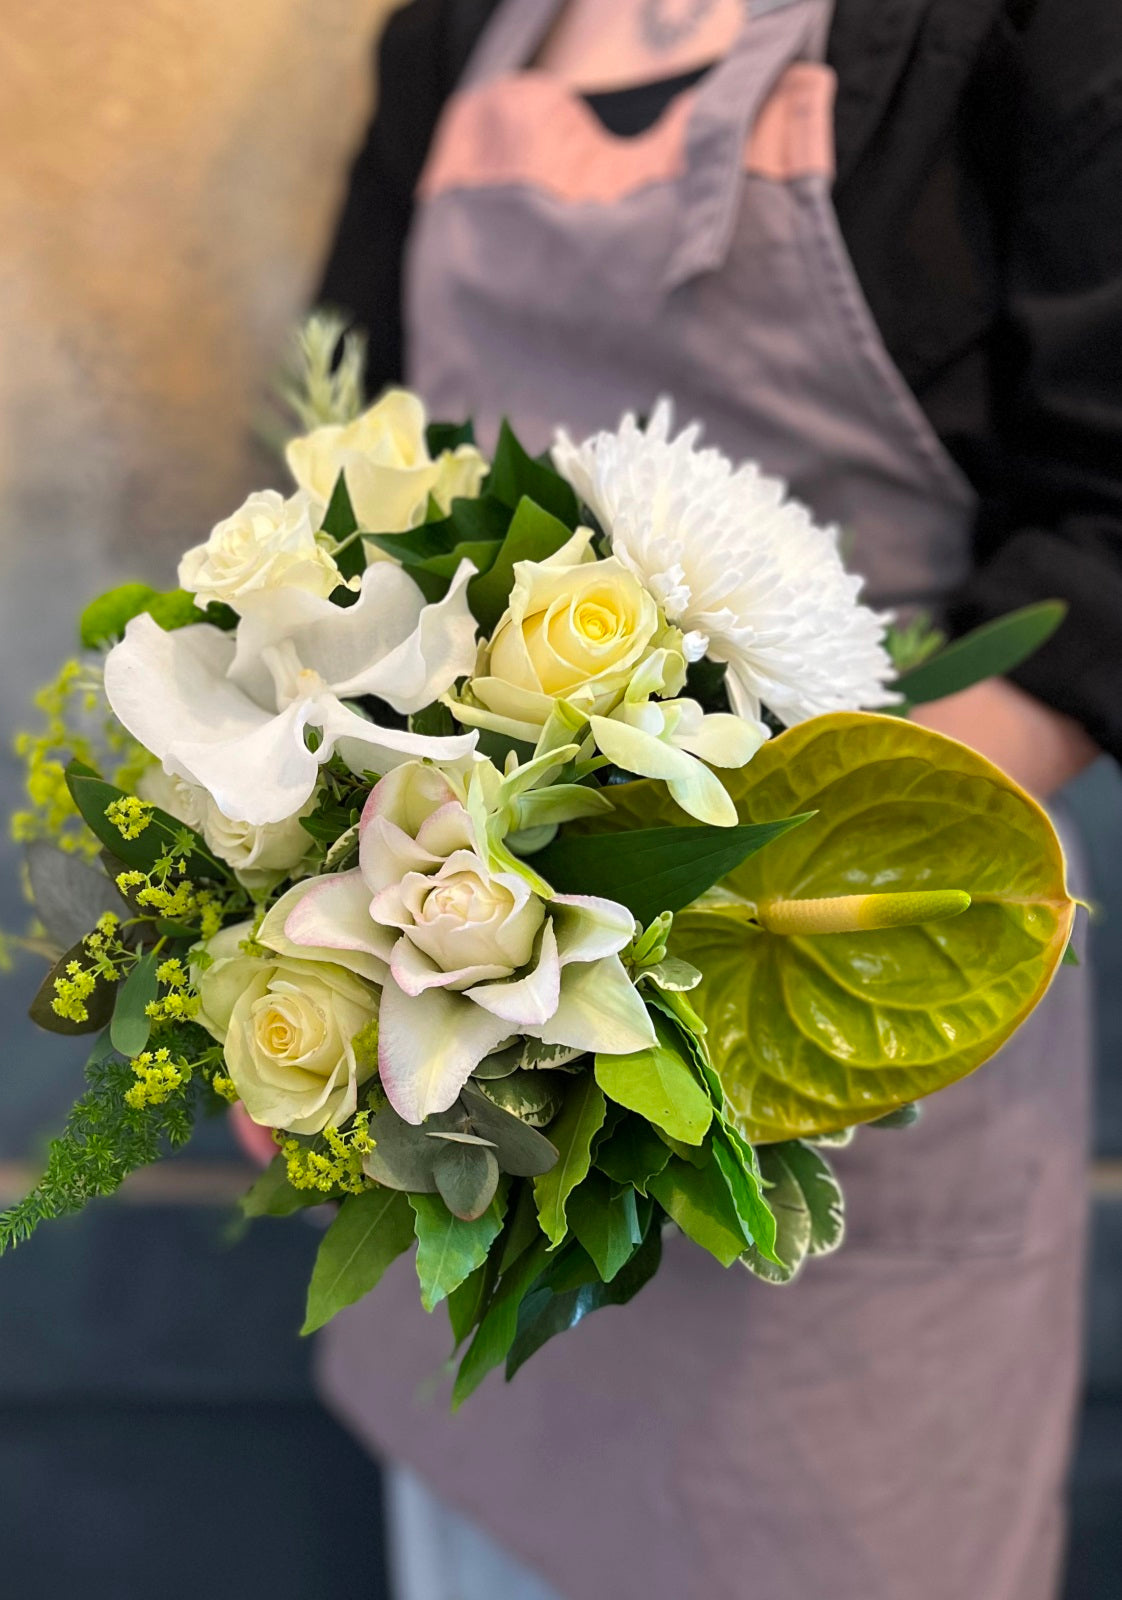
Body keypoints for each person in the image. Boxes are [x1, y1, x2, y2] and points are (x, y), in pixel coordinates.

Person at [313, 3, 1122, 1596]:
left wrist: (756, 858)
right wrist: (310, 919)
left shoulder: (1032, 27)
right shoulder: (452, 31)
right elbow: (339, 455)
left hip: (837, 986)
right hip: (475, 1039)